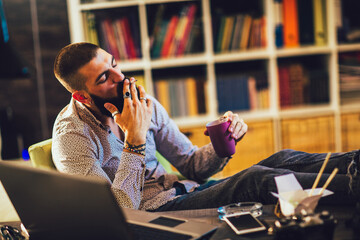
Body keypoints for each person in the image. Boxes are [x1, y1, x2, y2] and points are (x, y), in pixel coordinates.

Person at [52, 42, 360, 212]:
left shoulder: (141, 102)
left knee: (281, 158)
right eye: (103, 78)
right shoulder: (72, 138)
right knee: (255, 181)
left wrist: (225, 140)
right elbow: (118, 210)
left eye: (114, 64)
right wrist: (135, 139)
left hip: (185, 191)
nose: (120, 77)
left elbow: (192, 165)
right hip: (150, 216)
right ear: (80, 95)